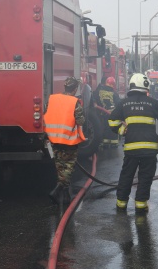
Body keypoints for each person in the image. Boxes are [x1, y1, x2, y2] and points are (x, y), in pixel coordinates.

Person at [109, 73, 158, 213]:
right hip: (150, 149)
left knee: (127, 175)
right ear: (145, 87)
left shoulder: (124, 103)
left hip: (131, 149)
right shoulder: (153, 102)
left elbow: (112, 121)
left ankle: (121, 204)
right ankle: (141, 206)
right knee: (145, 177)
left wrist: (122, 130)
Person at [44, 76, 86, 206]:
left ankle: (65, 195)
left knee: (60, 166)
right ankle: (57, 190)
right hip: (68, 140)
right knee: (68, 166)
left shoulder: (52, 99)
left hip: (53, 139)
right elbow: (81, 121)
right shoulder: (74, 102)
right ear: (74, 89)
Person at [94, 76, 120, 147]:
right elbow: (118, 104)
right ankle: (113, 143)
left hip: (103, 113)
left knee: (105, 127)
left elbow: (95, 99)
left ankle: (105, 142)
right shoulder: (114, 93)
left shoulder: (99, 92)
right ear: (113, 84)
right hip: (113, 114)